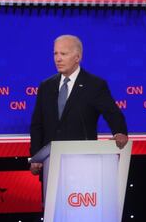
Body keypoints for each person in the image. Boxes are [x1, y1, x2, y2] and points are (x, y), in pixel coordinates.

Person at [29, 34, 128, 175]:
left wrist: (119, 132)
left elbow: (113, 114)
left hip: (83, 164)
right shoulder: (46, 86)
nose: (58, 59)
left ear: (78, 57)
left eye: (63, 54)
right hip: (51, 165)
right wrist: (35, 156)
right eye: (55, 53)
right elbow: (37, 125)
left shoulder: (94, 85)